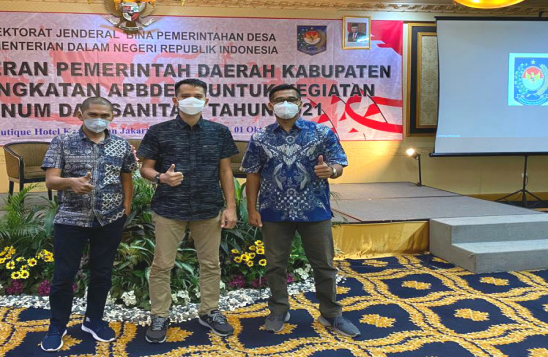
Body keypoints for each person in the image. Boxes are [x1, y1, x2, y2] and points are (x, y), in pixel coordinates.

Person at [241, 84, 360, 337]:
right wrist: (252, 208)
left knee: (324, 265)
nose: (285, 104)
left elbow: (338, 163)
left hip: (314, 210)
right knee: (275, 265)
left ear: (300, 104)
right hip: (274, 212)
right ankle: (278, 310)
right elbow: (252, 174)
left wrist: (331, 171)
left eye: (291, 99)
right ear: (270, 106)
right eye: (279, 100)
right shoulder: (260, 138)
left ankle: (331, 313)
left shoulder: (321, 132)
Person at [137, 78, 239, 343]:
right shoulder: (159, 131)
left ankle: (210, 311)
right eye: (185, 95)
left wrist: (231, 207)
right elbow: (145, 168)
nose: (191, 100)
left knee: (211, 263)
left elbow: (225, 171)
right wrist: (161, 177)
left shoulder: (219, 132)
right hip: (169, 208)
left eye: (197, 95)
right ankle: (160, 315)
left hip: (208, 208)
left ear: (206, 100)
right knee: (162, 264)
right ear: (175, 100)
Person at [40, 96, 137, 352]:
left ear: (112, 117)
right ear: (80, 114)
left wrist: (126, 207)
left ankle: (94, 320)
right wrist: (71, 182)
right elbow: (51, 180)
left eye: (105, 115)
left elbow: (127, 178)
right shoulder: (62, 142)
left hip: (109, 219)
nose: (99, 120)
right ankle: (57, 326)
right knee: (63, 275)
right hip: (71, 218)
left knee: (102, 273)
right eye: (93, 114)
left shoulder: (121, 145)